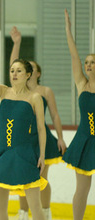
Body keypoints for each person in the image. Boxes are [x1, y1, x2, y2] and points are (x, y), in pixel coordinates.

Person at [0, 36, 47, 220]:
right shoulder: (3, 91)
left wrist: (42, 155)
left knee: (35, 209)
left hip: (25, 154)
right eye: (12, 70)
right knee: (0, 209)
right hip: (2, 153)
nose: (14, 74)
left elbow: (41, 128)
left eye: (19, 71)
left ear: (28, 75)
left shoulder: (34, 98)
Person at [10, 26, 67, 220]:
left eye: (31, 68)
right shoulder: (19, 92)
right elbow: (13, 64)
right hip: (24, 139)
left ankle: (45, 210)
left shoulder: (45, 91)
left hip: (42, 138)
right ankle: (23, 211)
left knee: (41, 178)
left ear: (37, 73)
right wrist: (16, 43)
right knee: (24, 178)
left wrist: (60, 137)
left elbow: (56, 115)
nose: (27, 70)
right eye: (26, 68)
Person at [62, 9, 95, 220]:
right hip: (84, 141)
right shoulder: (82, 84)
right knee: (81, 190)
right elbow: (73, 54)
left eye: (93, 62)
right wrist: (68, 29)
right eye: (87, 63)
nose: (89, 65)